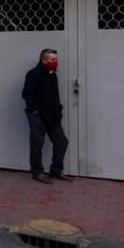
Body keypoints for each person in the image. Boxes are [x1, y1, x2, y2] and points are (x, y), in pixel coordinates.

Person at [22, 48, 73, 184]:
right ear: (44, 60)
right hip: (37, 116)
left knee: (62, 141)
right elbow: (27, 95)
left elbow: (54, 96)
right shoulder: (33, 74)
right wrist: (35, 112)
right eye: (52, 59)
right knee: (37, 143)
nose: (56, 62)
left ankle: (56, 170)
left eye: (56, 59)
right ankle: (37, 172)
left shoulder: (52, 74)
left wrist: (58, 110)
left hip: (53, 115)